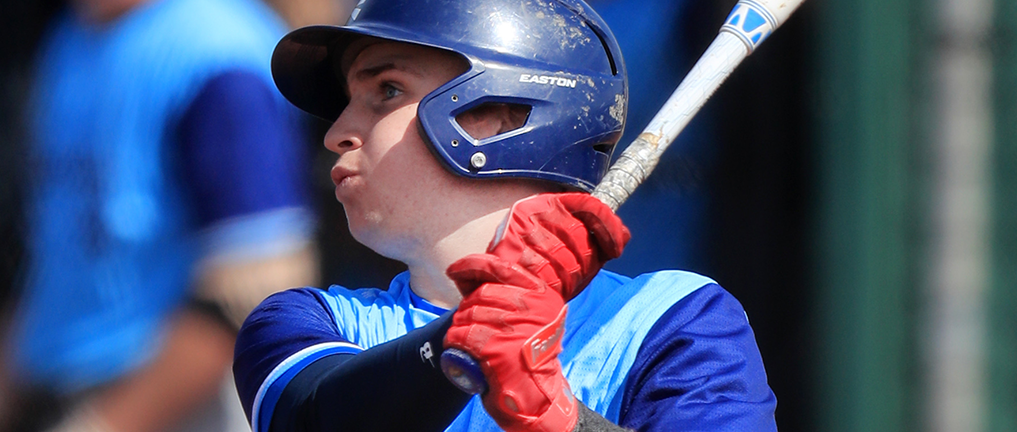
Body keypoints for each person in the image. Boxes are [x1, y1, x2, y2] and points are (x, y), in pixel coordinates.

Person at [233, 0, 778, 431]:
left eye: (387, 90)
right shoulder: (303, 322)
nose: (335, 133)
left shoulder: (673, 321)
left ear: (501, 114)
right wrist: (459, 344)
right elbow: (315, 416)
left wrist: (562, 422)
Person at [2, 0, 318, 431]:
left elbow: (254, 294)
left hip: (170, 404)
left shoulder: (215, 49)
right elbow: (55, 245)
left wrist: (99, 425)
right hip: (51, 388)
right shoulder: (70, 35)